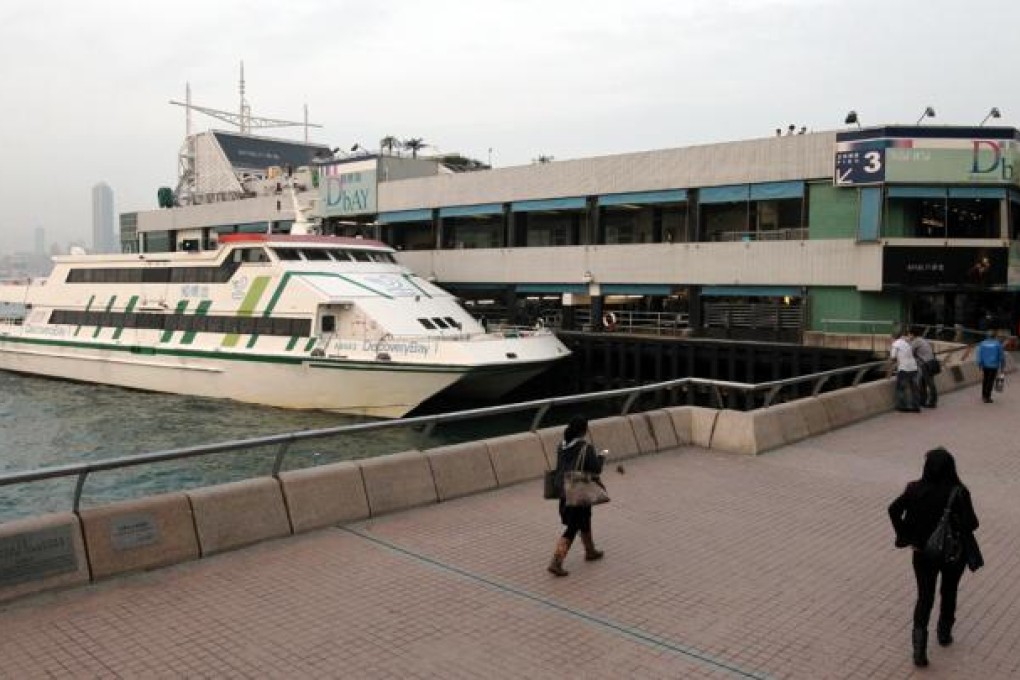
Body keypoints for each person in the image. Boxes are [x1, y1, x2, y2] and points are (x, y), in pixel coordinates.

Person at [888, 447, 980, 667]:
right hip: (952, 554)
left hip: (922, 554)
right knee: (949, 592)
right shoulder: (959, 492)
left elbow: (892, 509)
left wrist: (904, 535)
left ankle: (919, 650)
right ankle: (944, 633)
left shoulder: (914, 489)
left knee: (925, 597)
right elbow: (972, 524)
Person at [547, 415, 605, 576]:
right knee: (573, 526)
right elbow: (595, 469)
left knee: (584, 518)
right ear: (583, 430)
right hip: (578, 490)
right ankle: (556, 561)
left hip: (564, 491)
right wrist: (601, 458)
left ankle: (590, 550)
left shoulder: (561, 446)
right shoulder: (585, 448)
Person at [889, 330, 920, 412]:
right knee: (914, 388)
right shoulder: (907, 343)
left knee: (901, 388)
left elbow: (892, 356)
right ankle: (916, 406)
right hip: (913, 367)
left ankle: (903, 406)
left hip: (904, 368)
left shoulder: (896, 344)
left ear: (893, 337)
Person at [910, 328, 938, 408]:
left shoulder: (916, 341)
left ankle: (932, 402)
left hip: (926, 364)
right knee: (922, 383)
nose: (908, 336)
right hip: (931, 362)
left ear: (912, 334)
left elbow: (909, 352)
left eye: (909, 335)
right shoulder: (923, 340)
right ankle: (923, 400)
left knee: (929, 383)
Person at [975, 330, 1004, 403]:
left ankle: (983, 395)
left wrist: (979, 363)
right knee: (990, 381)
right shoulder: (998, 344)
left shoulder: (982, 343)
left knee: (985, 379)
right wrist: (1003, 365)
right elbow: (1001, 356)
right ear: (995, 336)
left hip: (985, 365)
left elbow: (979, 354)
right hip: (994, 365)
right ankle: (987, 397)